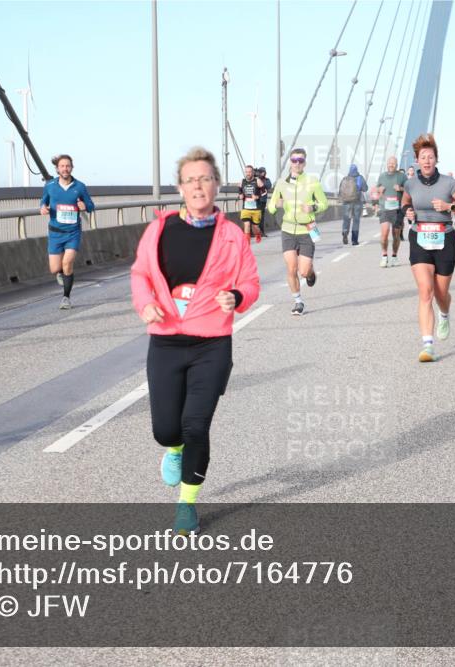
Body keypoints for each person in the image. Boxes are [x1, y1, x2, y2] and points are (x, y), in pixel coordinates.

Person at [131, 147, 260, 535]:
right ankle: (173, 450)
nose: (198, 186)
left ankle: (186, 505)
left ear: (217, 184)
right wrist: (145, 303)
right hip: (166, 340)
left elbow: (250, 282)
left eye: (205, 178)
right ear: (180, 188)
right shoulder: (160, 229)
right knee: (166, 429)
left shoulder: (232, 236)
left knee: (196, 426)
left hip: (211, 343)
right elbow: (140, 274)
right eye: (191, 180)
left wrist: (236, 297)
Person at [400, 134, 455, 362]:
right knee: (426, 292)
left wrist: (449, 206)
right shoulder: (410, 183)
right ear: (417, 160)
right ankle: (428, 346)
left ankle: (444, 313)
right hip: (419, 238)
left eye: (430, 157)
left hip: (445, 240)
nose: (427, 161)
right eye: (423, 157)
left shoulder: (449, 183)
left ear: (436, 159)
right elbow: (405, 202)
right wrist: (407, 212)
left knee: (441, 294)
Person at [267, 148, 328, 315]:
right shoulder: (281, 183)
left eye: (300, 160)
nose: (297, 163)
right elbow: (270, 207)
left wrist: (313, 207)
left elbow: (324, 203)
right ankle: (298, 302)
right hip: (288, 230)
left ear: (304, 163)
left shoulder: (312, 181)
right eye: (294, 160)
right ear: (290, 162)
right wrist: (276, 205)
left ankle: (310, 273)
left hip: (307, 229)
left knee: (304, 271)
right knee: (291, 268)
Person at [40, 154, 96, 310]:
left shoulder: (80, 186)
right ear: (57, 169)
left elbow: (91, 206)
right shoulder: (50, 185)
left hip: (73, 233)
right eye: (62, 166)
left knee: (67, 263)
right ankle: (60, 273)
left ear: (72, 168)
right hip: (55, 233)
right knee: (54, 268)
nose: (65, 169)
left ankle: (66, 298)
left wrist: (85, 206)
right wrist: (43, 208)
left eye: (68, 166)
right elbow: (43, 201)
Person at [375, 155, 406, 267]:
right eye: (389, 163)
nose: (391, 165)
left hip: (397, 209)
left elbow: (408, 190)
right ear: (387, 164)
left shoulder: (402, 176)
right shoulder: (382, 176)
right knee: (384, 233)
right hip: (385, 208)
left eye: (393, 163)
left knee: (396, 235)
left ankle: (394, 256)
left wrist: (401, 188)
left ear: (396, 165)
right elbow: (376, 190)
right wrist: (379, 190)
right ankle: (384, 256)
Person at [339, 163, 367, 245]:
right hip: (357, 201)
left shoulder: (345, 179)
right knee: (356, 220)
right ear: (357, 170)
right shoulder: (360, 178)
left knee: (346, 218)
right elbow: (365, 189)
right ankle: (354, 240)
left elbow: (340, 190)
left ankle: (345, 232)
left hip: (346, 202)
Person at [238, 165, 264, 244]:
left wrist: (257, 196)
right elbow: (239, 191)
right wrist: (240, 195)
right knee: (247, 224)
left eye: (249, 172)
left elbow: (264, 192)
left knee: (255, 227)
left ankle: (258, 234)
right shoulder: (242, 181)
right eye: (246, 172)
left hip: (256, 208)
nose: (248, 174)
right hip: (246, 208)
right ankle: (247, 244)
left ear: (253, 173)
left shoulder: (257, 181)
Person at [256, 166, 272, 237]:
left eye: (262, 172)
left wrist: (261, 183)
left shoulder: (267, 180)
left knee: (261, 217)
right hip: (255, 200)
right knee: (254, 216)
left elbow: (269, 186)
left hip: (262, 200)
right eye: (260, 172)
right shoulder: (255, 179)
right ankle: (254, 231)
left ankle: (261, 232)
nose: (261, 173)